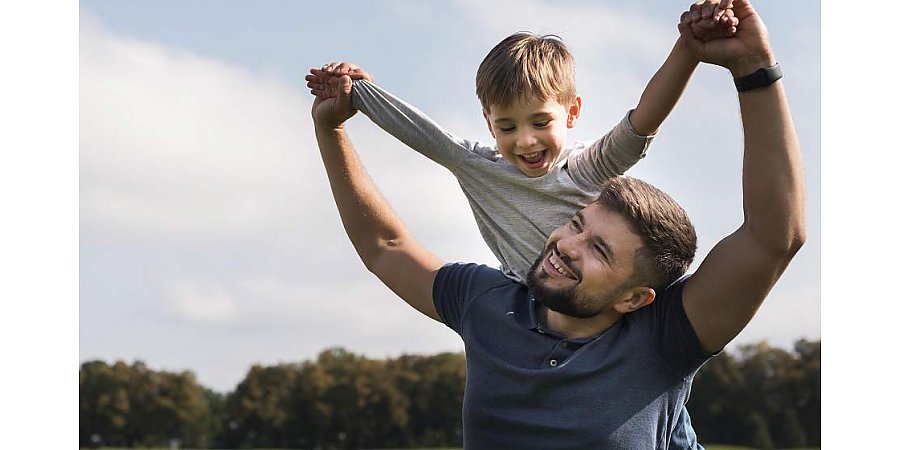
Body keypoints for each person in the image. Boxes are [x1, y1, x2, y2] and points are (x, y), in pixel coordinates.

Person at [310, 0, 804, 447]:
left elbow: (772, 238)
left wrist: (753, 69)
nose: (568, 245)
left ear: (635, 297)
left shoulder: (663, 338)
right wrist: (331, 127)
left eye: (601, 251)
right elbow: (385, 246)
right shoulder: (486, 304)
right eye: (575, 222)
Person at [306, 4, 739, 285]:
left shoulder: (586, 169)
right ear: (489, 124)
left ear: (571, 114)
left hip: (612, 308)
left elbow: (644, 120)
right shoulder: (477, 166)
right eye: (507, 126)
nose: (526, 140)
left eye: (540, 121)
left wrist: (689, 48)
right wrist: (354, 90)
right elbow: (417, 130)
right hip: (529, 304)